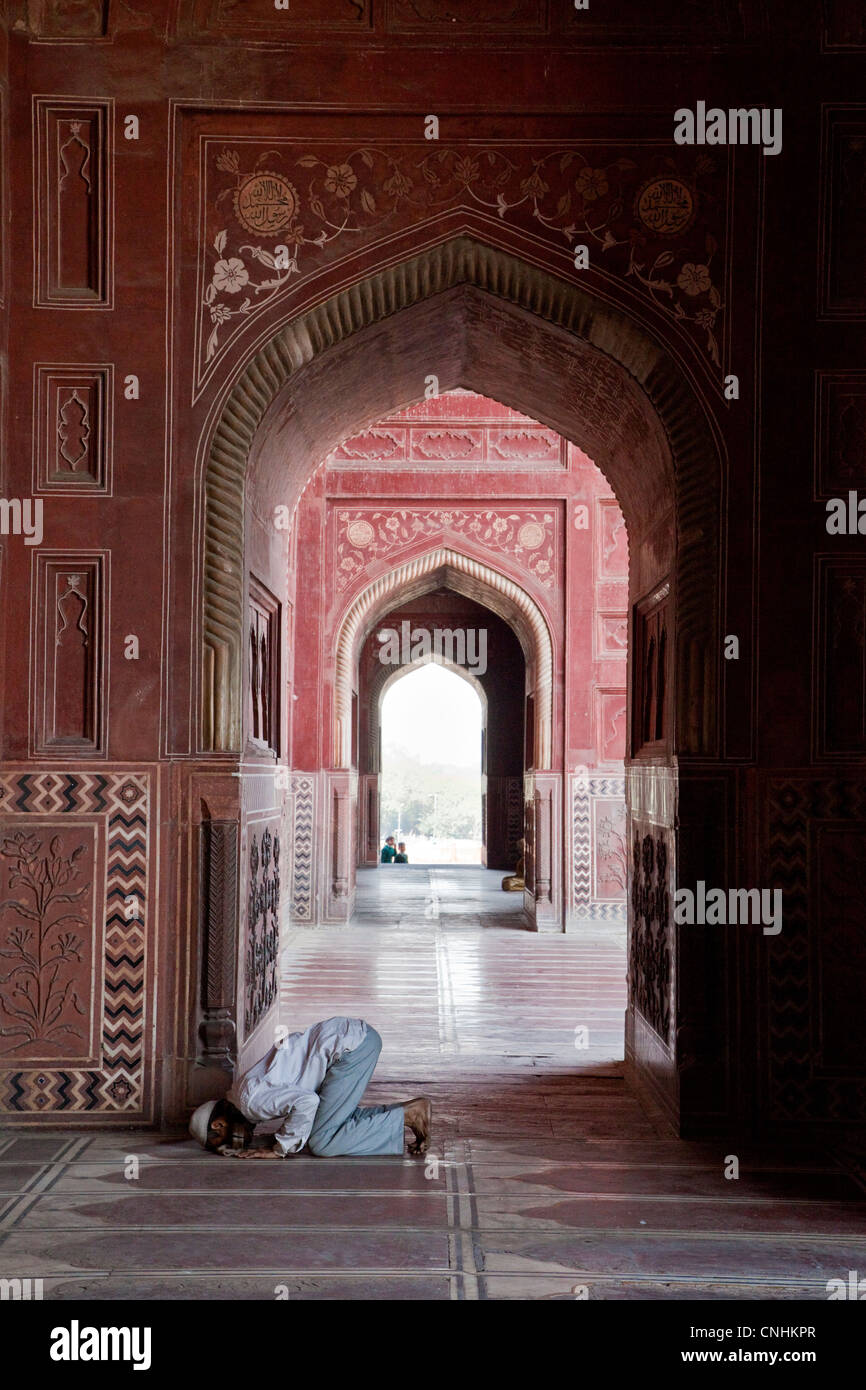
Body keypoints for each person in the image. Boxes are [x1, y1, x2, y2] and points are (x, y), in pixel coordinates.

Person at [188, 1016, 431, 1160]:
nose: (231, 1146)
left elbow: (306, 1101)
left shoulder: (251, 1104)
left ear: (218, 1124)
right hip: (354, 1039)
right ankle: (406, 1113)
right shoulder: (242, 1094)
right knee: (328, 1126)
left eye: (221, 1141)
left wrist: (280, 1148)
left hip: (350, 1049)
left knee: (322, 1143)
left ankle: (407, 1116)